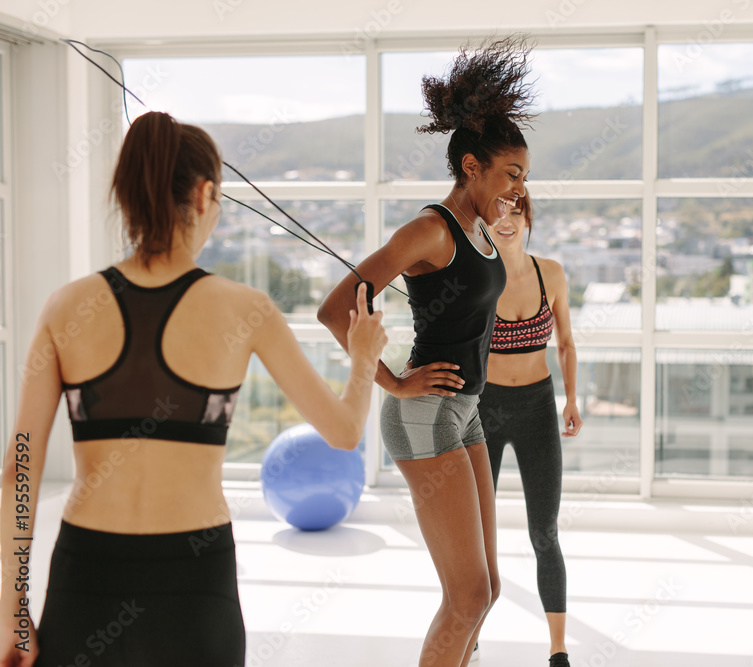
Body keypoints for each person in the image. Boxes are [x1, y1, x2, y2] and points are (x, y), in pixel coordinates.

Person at [0, 111, 387, 667]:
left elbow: (20, 467)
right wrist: (364, 358)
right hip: (195, 583)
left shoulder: (65, 307)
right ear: (205, 194)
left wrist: (13, 613)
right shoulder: (246, 310)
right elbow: (345, 432)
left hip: (86, 574)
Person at [318, 35, 534, 667]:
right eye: (512, 173)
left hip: (465, 410)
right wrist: (393, 382)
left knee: (487, 590)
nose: (519, 189)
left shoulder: (481, 231)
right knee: (465, 596)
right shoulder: (429, 230)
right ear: (472, 166)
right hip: (424, 413)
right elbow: (337, 310)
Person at [479, 192, 581, 667]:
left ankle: (558, 648)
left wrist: (572, 400)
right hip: (485, 409)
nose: (506, 221)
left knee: (545, 532)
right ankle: (470, 631)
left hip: (538, 406)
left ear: (527, 220)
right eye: (497, 214)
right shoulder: (478, 278)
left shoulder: (552, 274)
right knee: (478, 534)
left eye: (515, 213)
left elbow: (565, 343)